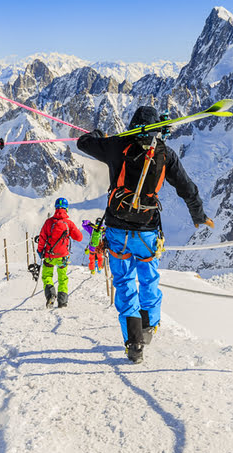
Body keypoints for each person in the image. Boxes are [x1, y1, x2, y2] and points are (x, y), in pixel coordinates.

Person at [77, 106, 213, 363]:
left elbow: (83, 143)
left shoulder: (116, 145)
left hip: (117, 229)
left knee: (124, 282)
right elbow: (187, 187)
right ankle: (149, 327)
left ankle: (134, 341)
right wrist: (198, 215)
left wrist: (98, 135)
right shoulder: (165, 153)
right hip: (147, 231)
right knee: (149, 279)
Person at [36, 198, 83, 308]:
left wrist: (40, 251)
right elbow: (79, 237)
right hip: (63, 256)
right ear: (66, 209)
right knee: (63, 278)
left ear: (56, 208)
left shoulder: (49, 222)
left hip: (49, 256)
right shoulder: (68, 223)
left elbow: (42, 238)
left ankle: (51, 294)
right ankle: (62, 302)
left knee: (47, 276)